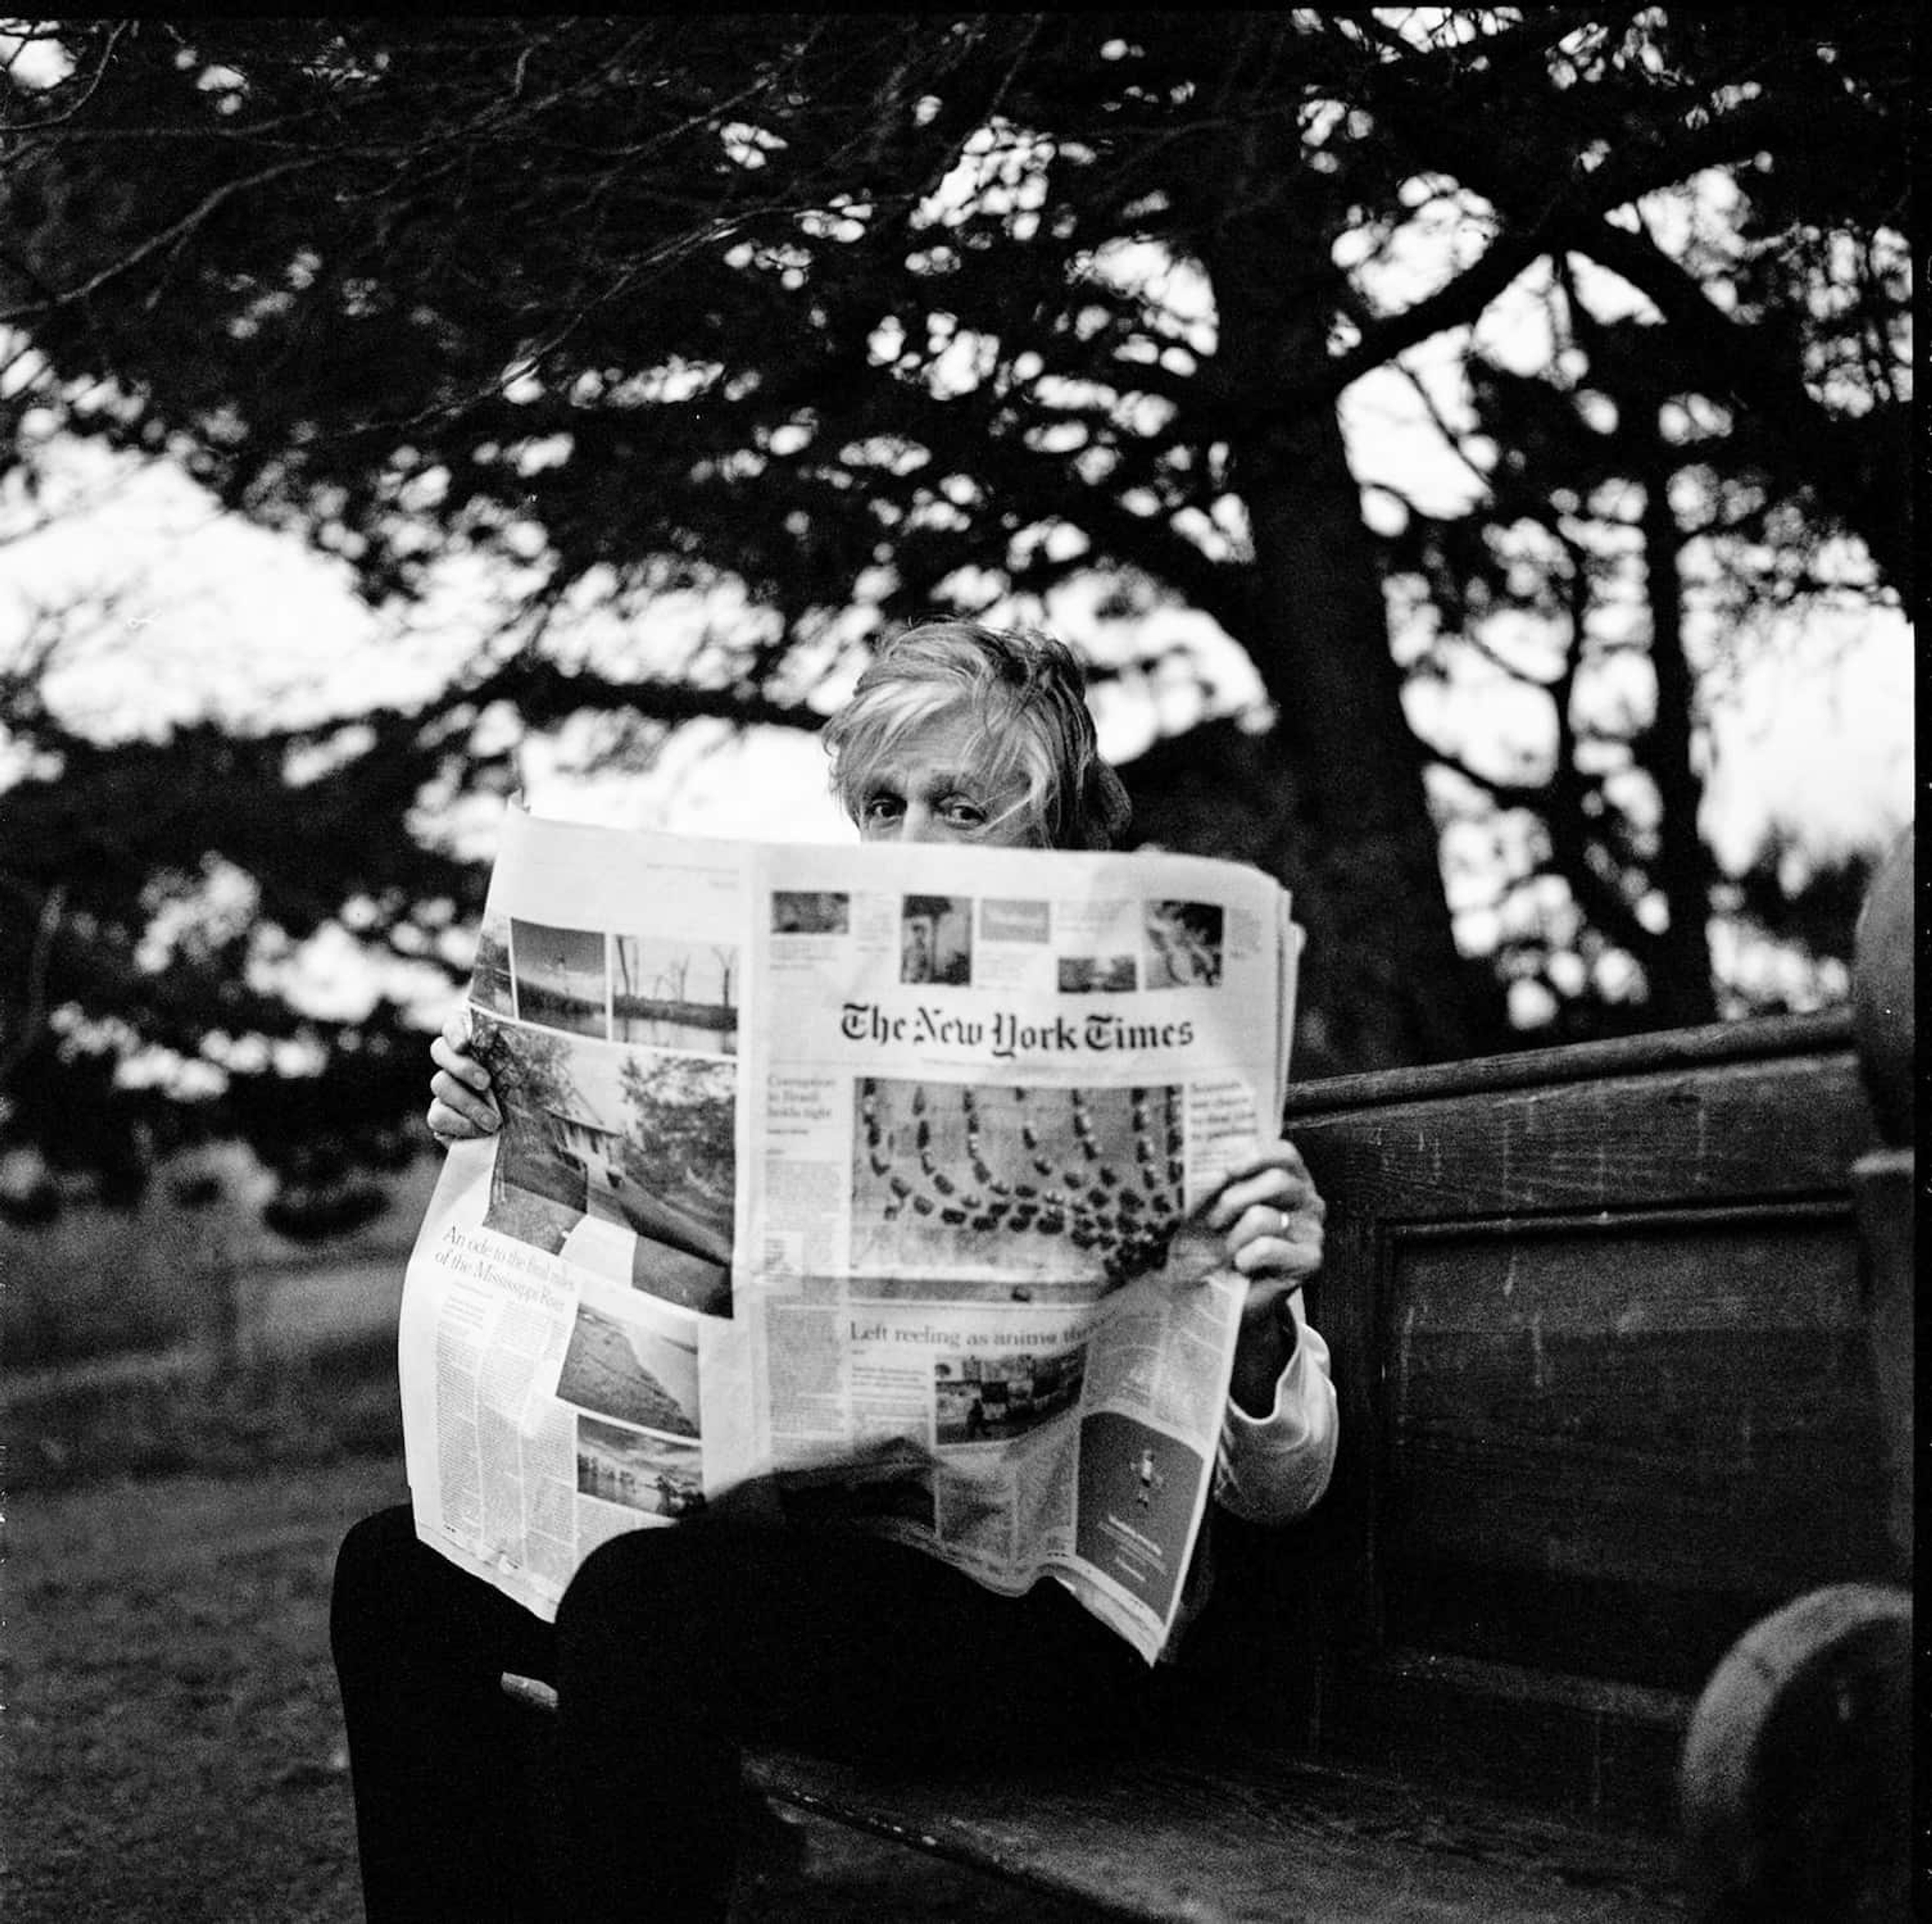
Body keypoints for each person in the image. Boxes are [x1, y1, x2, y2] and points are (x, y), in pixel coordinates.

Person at [334, 620, 1336, 1922]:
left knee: (651, 1604)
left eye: (960, 805)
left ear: (1050, 839)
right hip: (812, 1582)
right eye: (882, 802)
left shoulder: (1159, 1054)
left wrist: (1255, 1332)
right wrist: (510, 1109)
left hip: (1043, 1627)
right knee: (400, 1573)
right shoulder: (803, 1040)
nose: (909, 832)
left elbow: (1283, 1485)